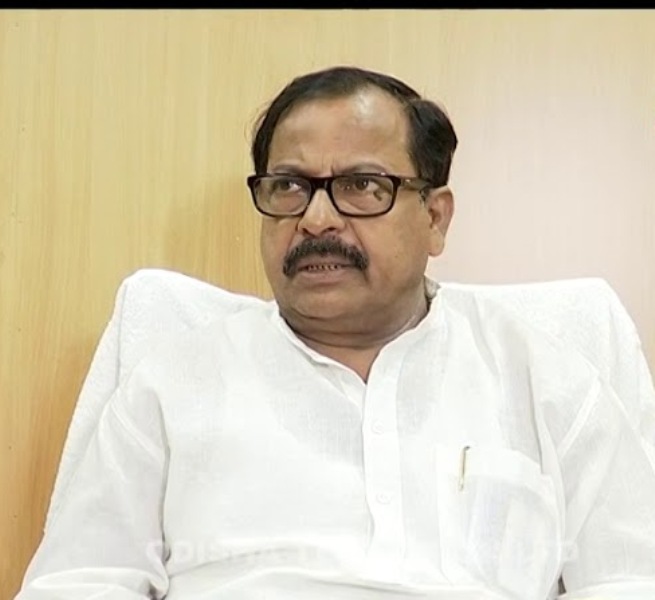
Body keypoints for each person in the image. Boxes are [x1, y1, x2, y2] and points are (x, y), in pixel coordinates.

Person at [15, 65, 655, 600]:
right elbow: (77, 583)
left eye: (361, 185)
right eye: (289, 186)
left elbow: (631, 579)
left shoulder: (547, 378)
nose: (316, 219)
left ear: (435, 218)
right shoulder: (171, 385)